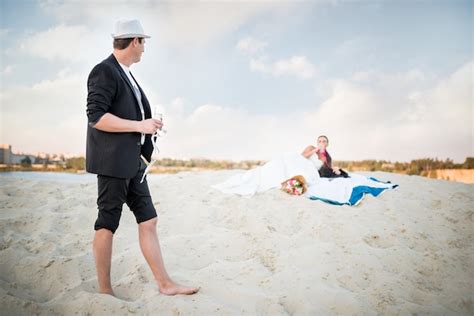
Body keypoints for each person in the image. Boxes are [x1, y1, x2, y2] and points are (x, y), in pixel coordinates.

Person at [86, 19, 198, 296]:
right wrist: (139, 125)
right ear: (134, 41)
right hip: (112, 163)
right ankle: (105, 291)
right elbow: (96, 117)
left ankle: (165, 284)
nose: (144, 48)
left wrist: (147, 124)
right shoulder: (104, 71)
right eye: (143, 42)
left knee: (149, 220)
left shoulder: (126, 74)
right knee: (107, 223)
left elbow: (125, 115)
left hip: (135, 164)